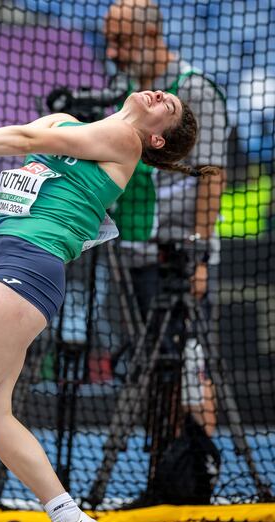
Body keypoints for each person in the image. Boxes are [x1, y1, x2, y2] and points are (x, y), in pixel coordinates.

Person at [0, 88, 203, 522]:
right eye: (163, 94)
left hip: (27, 264)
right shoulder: (63, 121)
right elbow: (7, 139)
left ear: (156, 141)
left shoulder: (126, 140)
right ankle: (70, 520)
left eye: (166, 107)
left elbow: (21, 141)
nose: (158, 95)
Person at [104, 0, 226, 435]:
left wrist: (198, 256)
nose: (112, 51)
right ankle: (162, 472)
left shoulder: (193, 91)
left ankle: (198, 472)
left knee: (190, 365)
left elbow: (212, 175)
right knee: (151, 368)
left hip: (175, 258)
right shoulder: (126, 88)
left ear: (152, 36)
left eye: (121, 40)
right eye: (109, 40)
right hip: (132, 253)